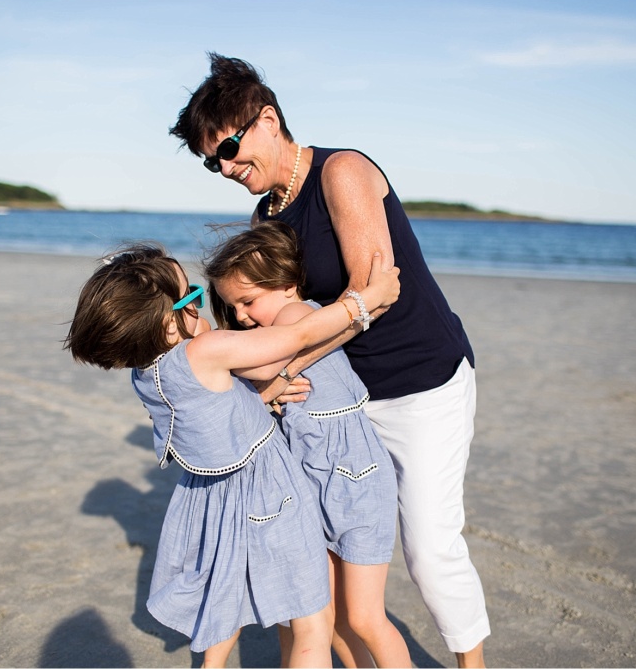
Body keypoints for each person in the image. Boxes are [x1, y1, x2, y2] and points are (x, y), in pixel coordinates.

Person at [171, 53, 490, 667]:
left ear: (268, 119)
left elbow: (379, 293)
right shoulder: (267, 215)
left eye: (231, 148)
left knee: (428, 546)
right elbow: (285, 314)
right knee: (332, 577)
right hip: (344, 401)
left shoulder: (341, 172)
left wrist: (285, 365)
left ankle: (472, 664)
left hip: (421, 382)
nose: (226, 167)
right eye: (212, 161)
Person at [64, 243, 399, 668]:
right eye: (192, 297)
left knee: (224, 596)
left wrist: (268, 392)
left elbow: (218, 415)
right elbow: (295, 337)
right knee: (313, 624)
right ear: (168, 324)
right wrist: (364, 302)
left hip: (214, 502)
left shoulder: (146, 375)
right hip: (271, 494)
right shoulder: (205, 351)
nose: (200, 306)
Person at [204, 221, 410, 668]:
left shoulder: (296, 317)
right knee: (333, 616)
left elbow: (263, 366)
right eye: (231, 307)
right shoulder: (283, 322)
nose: (240, 316)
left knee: (365, 616)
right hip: (317, 481)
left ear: (288, 284)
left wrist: (208, 350)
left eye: (247, 301)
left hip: (353, 478)